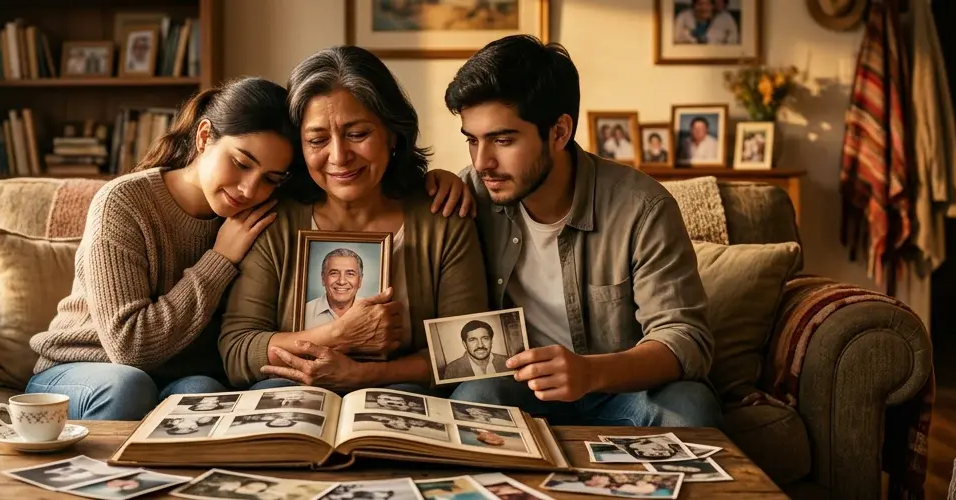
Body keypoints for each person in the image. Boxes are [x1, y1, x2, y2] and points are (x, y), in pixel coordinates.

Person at [444, 35, 721, 427]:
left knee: (691, 408)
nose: (482, 161)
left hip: (624, 388)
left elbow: (685, 338)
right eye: (472, 140)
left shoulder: (642, 207)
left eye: (502, 140)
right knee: (474, 398)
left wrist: (589, 373)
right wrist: (427, 183)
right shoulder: (467, 195)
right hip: (522, 387)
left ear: (559, 132)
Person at [219, 46, 488, 393]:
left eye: (358, 134)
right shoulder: (274, 219)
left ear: (392, 134)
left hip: (404, 394)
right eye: (317, 139)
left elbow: (467, 352)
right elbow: (238, 350)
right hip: (296, 395)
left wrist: (362, 376)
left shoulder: (443, 214)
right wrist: (336, 336)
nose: (339, 156)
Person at [23, 77, 296, 420]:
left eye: (270, 178)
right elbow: (130, 347)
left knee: (204, 394)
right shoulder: (123, 202)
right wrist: (220, 259)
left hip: (174, 378)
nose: (248, 189)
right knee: (127, 387)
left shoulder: (258, 219)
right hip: (80, 369)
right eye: (241, 163)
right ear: (203, 137)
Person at [302, 247, 365, 329]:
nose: (341, 281)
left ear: (360, 280)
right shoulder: (303, 312)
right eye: (334, 273)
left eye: (350, 274)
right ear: (323, 278)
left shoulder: (373, 313)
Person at [441, 320, 508, 379]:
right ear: (465, 344)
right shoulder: (452, 370)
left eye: (485, 338)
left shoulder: (507, 362)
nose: (480, 345)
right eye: (472, 340)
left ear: (491, 341)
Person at [672, 0, 739, 45]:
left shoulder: (726, 19)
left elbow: (733, 43)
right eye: (700, 4)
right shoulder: (684, 16)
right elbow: (675, 39)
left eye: (707, 4)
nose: (704, 8)